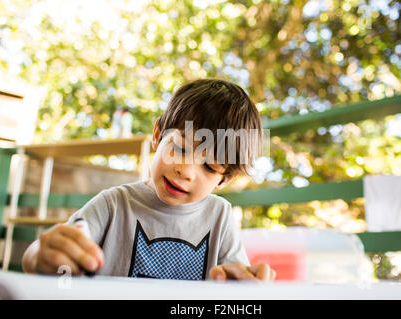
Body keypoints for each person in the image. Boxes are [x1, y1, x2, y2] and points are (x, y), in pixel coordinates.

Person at [22, 79, 276, 281]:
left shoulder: (220, 216)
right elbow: (43, 256)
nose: (186, 170)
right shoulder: (114, 205)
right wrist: (40, 256)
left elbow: (237, 283)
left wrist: (248, 287)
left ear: (224, 180)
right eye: (179, 147)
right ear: (157, 135)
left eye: (209, 166)